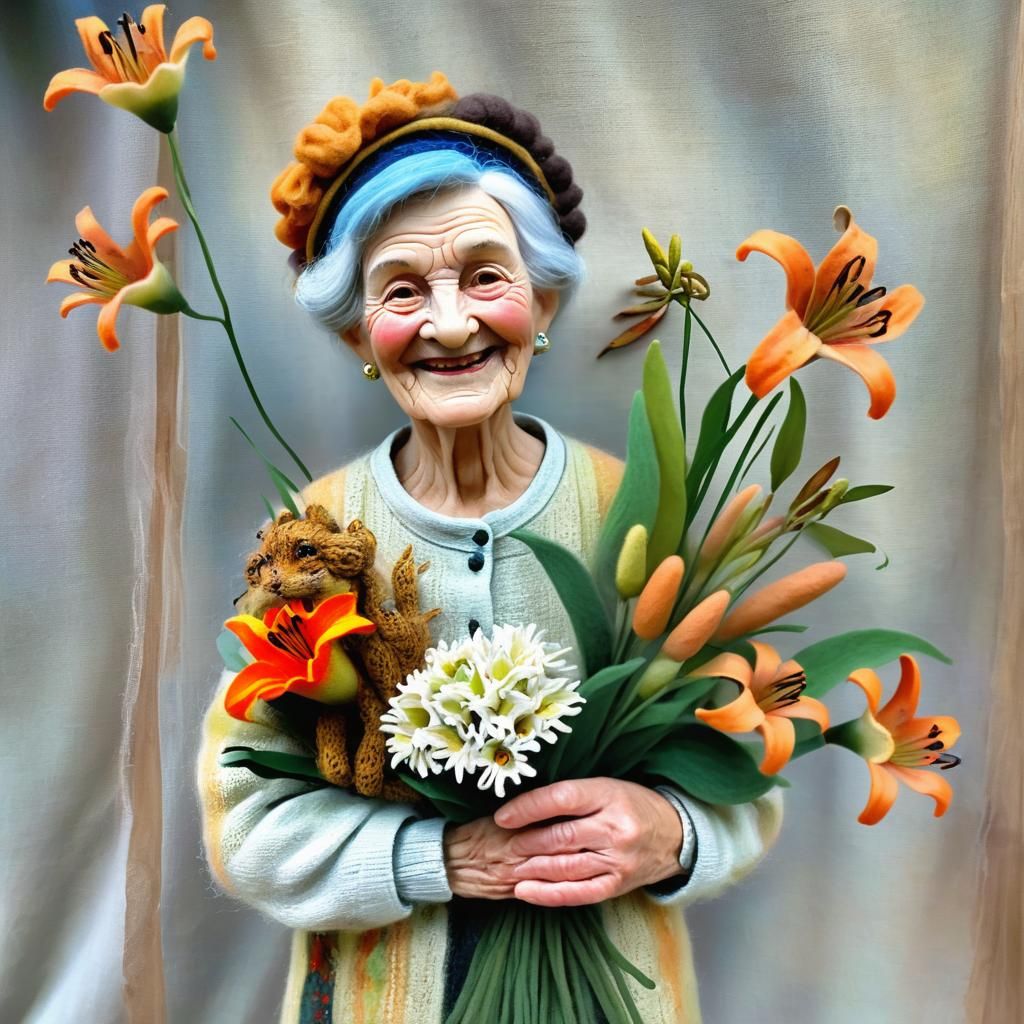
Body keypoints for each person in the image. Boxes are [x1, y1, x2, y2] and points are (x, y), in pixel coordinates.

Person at [198, 73, 782, 1023]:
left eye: (485, 276)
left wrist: (671, 832)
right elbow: (245, 827)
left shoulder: (637, 513)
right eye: (401, 290)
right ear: (357, 334)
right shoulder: (312, 536)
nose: (451, 323)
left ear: (543, 303)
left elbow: (748, 769)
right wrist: (441, 859)